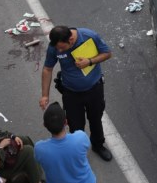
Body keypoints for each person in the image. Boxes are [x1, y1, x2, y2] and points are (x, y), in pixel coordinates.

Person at [39, 26, 113, 162]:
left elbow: (107, 53)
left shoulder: (89, 36)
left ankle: (98, 145)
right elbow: (47, 69)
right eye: (58, 48)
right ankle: (78, 152)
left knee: (96, 119)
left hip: (94, 89)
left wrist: (89, 61)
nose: (59, 51)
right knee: (75, 125)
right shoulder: (54, 47)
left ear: (71, 40)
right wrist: (45, 95)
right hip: (71, 93)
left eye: (62, 48)